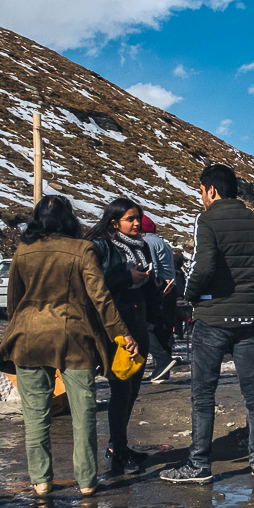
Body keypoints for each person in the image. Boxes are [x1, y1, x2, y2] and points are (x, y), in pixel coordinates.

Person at [0, 196, 135, 498]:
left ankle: (41, 481)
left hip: (29, 337)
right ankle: (86, 480)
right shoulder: (82, 249)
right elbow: (100, 297)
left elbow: (14, 300)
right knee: (83, 413)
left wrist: (16, 329)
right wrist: (121, 335)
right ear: (69, 218)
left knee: (35, 415)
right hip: (75, 338)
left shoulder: (23, 250)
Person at [161, 164, 254, 485]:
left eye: (201, 191)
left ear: (211, 190)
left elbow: (203, 267)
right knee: (253, 391)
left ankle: (199, 464)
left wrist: (190, 294)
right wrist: (248, 288)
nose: (201, 197)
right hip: (249, 318)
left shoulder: (207, 220)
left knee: (203, 393)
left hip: (212, 318)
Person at [87, 198, 159, 475]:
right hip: (116, 326)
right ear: (115, 222)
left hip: (139, 321)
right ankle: (117, 451)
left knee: (133, 389)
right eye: (131, 219)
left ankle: (120, 446)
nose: (137, 223)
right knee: (121, 389)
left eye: (138, 217)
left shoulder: (142, 246)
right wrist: (127, 278)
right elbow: (96, 285)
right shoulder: (101, 247)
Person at [140, 214, 177, 384]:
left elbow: (151, 266)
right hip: (171, 288)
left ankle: (163, 361)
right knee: (164, 329)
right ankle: (163, 370)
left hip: (159, 288)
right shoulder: (163, 242)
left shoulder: (147, 242)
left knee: (145, 326)